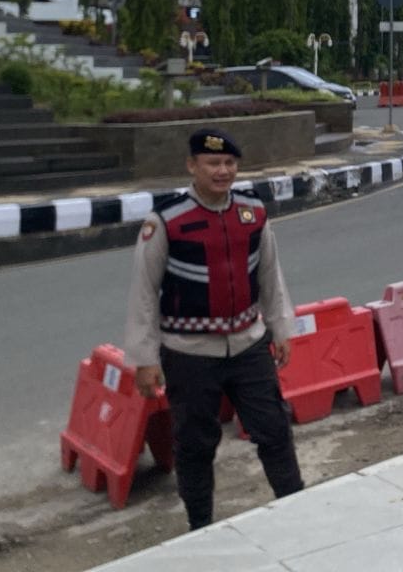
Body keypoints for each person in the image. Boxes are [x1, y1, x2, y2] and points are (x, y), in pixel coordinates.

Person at [124, 129, 304, 530]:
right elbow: (143, 292)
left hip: (249, 346)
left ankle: (296, 507)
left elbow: (270, 273)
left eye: (229, 163)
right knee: (195, 445)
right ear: (192, 166)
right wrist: (144, 358)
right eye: (212, 164)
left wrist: (281, 328)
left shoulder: (252, 213)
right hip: (188, 354)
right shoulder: (166, 220)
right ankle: (200, 527)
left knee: (274, 430)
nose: (222, 171)